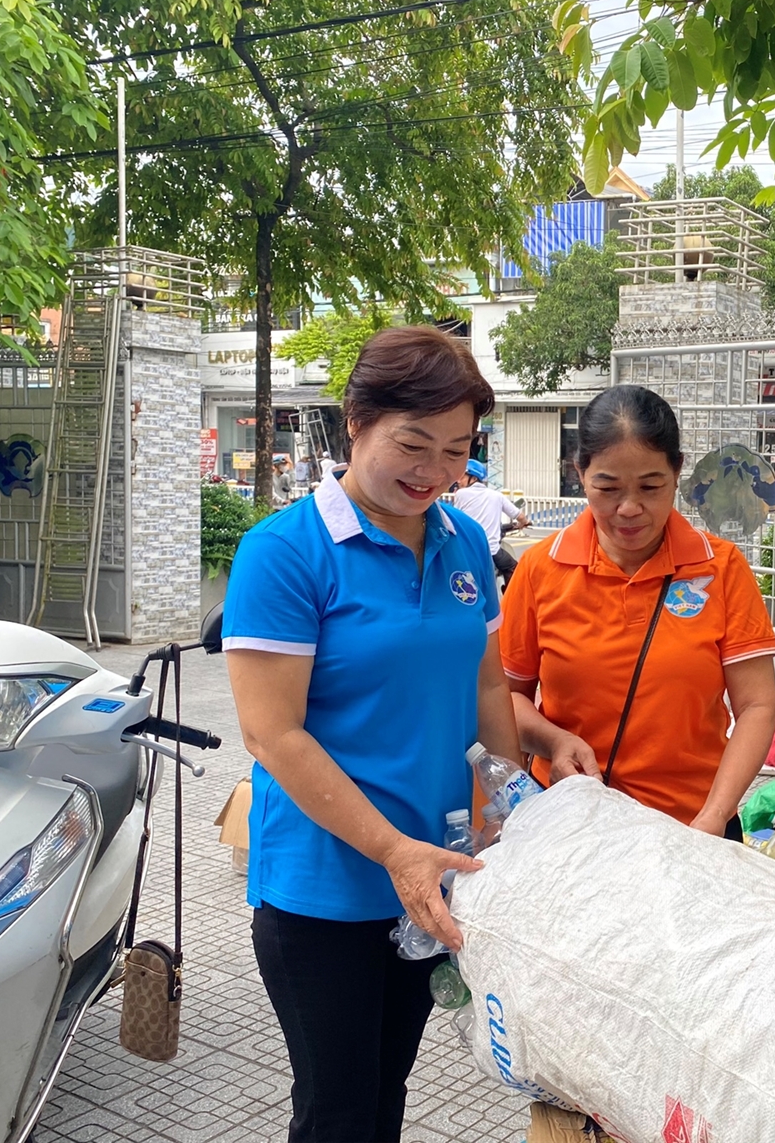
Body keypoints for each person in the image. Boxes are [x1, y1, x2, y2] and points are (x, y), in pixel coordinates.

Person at [222, 326, 523, 1143]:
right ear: (355, 421)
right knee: (338, 1112)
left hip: (432, 883)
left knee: (384, 1095)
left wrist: (513, 797)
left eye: (457, 450)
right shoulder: (285, 553)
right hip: (327, 891)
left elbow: (485, 678)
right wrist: (395, 851)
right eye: (413, 444)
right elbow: (272, 735)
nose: (434, 471)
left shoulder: (462, 538)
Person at [500, 385, 775, 839]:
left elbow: (756, 706)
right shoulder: (540, 568)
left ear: (678, 471)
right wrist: (554, 741)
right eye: (607, 488)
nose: (629, 509)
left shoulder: (721, 567)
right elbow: (505, 699)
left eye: (651, 487)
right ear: (579, 474)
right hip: (571, 829)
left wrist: (714, 816)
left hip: (693, 828)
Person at [452, 459, 529, 587]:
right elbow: (520, 516)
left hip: (467, 550)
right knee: (514, 568)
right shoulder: (496, 496)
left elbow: (455, 518)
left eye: (462, 477)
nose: (458, 481)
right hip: (492, 552)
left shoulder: (460, 494)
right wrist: (524, 523)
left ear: (474, 478)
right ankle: (510, 600)